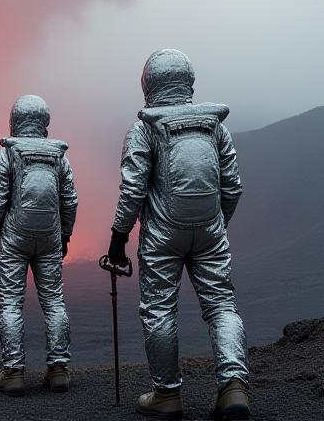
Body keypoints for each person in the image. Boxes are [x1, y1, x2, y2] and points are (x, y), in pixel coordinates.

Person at [107, 49, 251, 419]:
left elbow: (133, 190)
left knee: (159, 309)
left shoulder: (144, 129)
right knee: (221, 304)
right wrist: (215, 227)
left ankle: (167, 395)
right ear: (188, 81)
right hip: (210, 230)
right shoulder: (215, 127)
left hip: (161, 237)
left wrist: (119, 238)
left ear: (148, 84)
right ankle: (233, 387)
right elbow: (233, 187)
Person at [0, 94, 78, 397]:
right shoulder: (59, 157)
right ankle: (58, 370)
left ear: (15, 120)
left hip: (14, 239)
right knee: (54, 301)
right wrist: (64, 236)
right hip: (49, 238)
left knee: (11, 303)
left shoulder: (6, 155)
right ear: (44, 121)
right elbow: (70, 201)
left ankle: (13, 374)